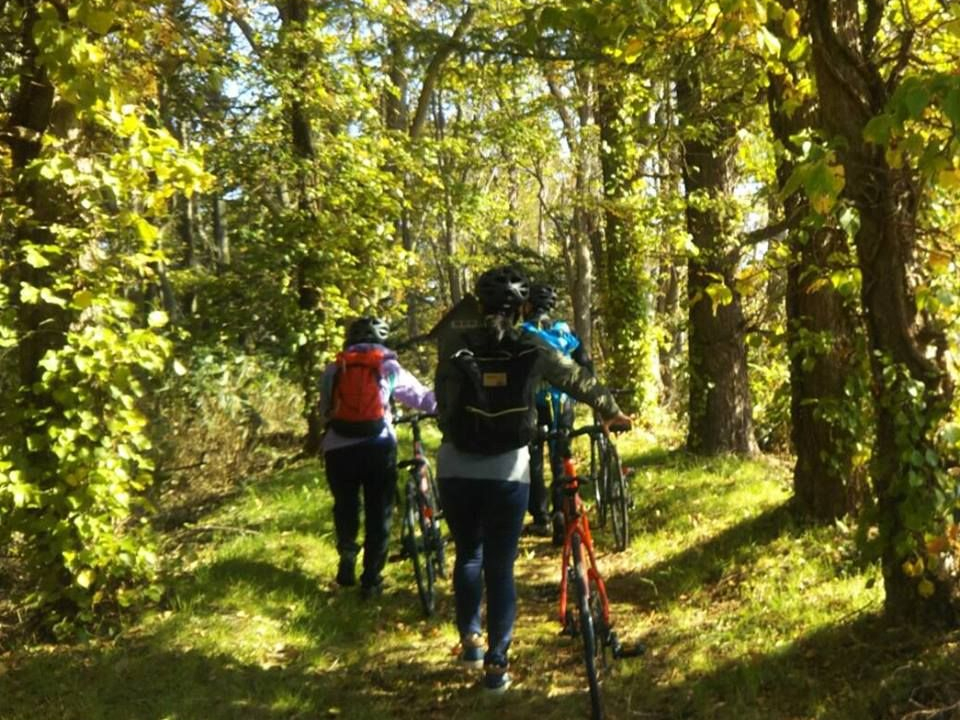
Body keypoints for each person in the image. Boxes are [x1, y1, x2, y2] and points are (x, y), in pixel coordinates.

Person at [434, 265, 631, 693]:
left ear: (481, 304)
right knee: (500, 566)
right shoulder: (533, 345)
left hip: (456, 468)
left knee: (468, 555)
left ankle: (470, 640)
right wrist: (611, 410)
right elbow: (576, 379)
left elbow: (442, 405)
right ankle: (496, 665)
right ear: (522, 307)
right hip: (508, 470)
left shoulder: (454, 343)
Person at [319, 316, 436, 599]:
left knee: (345, 503)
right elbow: (419, 397)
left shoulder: (334, 367)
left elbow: (325, 408)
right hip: (377, 444)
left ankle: (347, 550)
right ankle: (371, 579)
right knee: (379, 511)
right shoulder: (387, 365)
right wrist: (444, 407)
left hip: (337, 446)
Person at [520, 283, 592, 542]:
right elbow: (584, 364)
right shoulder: (565, 331)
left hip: (535, 403)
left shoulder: (523, 333)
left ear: (527, 306)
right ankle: (563, 513)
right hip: (564, 403)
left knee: (534, 459)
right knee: (561, 456)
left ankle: (541, 519)